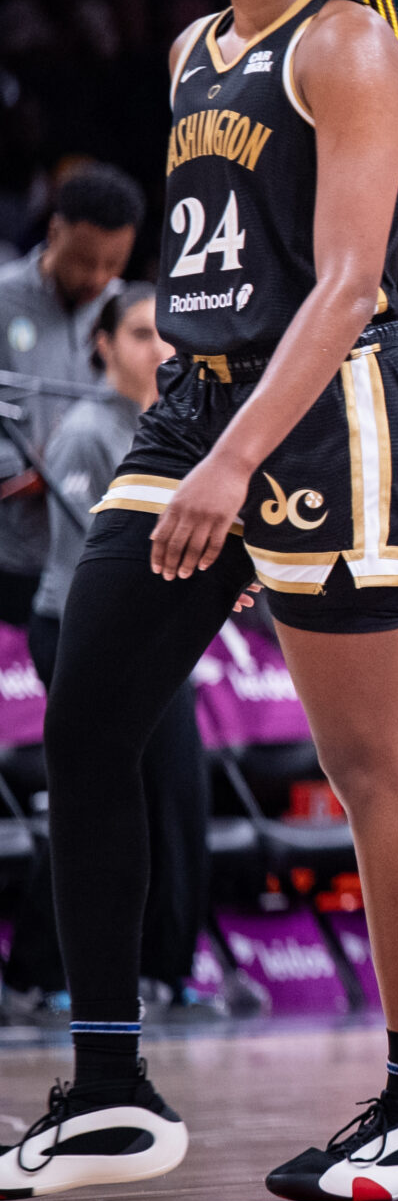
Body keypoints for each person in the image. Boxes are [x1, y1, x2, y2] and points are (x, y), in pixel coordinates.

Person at [6, 0, 398, 1201]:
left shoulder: (346, 46)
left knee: (371, 763)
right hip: (201, 394)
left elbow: (342, 284)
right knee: (87, 712)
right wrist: (199, 433)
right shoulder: (187, 54)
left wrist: (232, 464)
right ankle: (107, 1083)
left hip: (332, 409)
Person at [14, 286, 210, 1018]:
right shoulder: (88, 431)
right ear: (103, 345)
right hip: (81, 628)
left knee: (180, 800)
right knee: (101, 798)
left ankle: (169, 969)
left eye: (168, 335)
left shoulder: (181, 423)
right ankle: (37, 972)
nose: (160, 349)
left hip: (160, 628)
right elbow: (82, 558)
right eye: (137, 334)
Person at [0, 164, 143, 623]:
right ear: (54, 230)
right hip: (12, 553)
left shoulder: (132, 319)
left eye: (114, 264)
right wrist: (26, 464)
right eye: (84, 260)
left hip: (96, 550)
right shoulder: (3, 301)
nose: (97, 278)